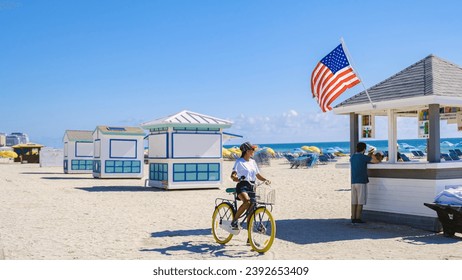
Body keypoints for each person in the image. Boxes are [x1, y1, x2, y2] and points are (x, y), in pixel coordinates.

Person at [230, 141, 270, 230]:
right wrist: (236, 178)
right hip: (242, 186)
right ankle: (235, 221)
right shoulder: (239, 161)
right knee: (247, 202)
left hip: (252, 186)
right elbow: (233, 175)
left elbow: (257, 175)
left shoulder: (252, 161)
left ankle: (249, 238)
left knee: (251, 212)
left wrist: (265, 180)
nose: (253, 151)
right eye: (252, 149)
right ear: (247, 151)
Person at [349, 142, 381, 224]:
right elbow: (376, 161)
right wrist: (372, 153)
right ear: (364, 149)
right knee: (360, 201)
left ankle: (353, 217)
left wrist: (368, 155)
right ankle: (358, 218)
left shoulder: (352, 157)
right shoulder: (363, 157)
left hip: (353, 181)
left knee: (354, 201)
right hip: (361, 181)